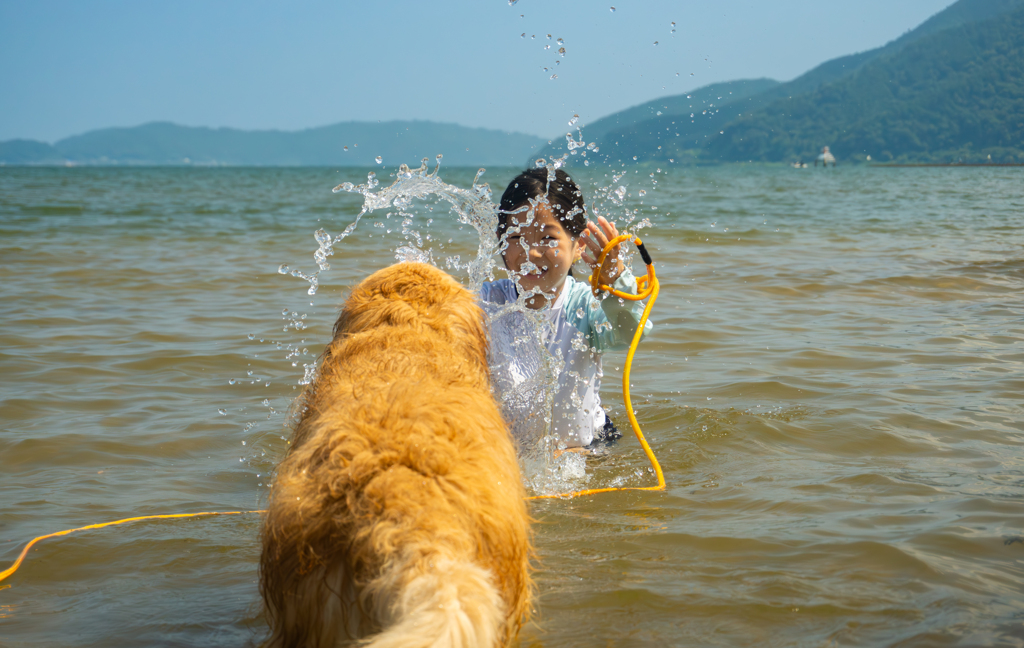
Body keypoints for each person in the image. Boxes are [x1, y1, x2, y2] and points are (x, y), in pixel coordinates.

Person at [480, 168, 653, 451]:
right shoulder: (485, 302)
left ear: (578, 245)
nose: (531, 252)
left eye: (548, 238)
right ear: (500, 241)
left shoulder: (585, 305)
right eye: (515, 238)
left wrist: (615, 287)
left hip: (587, 447)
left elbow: (632, 334)